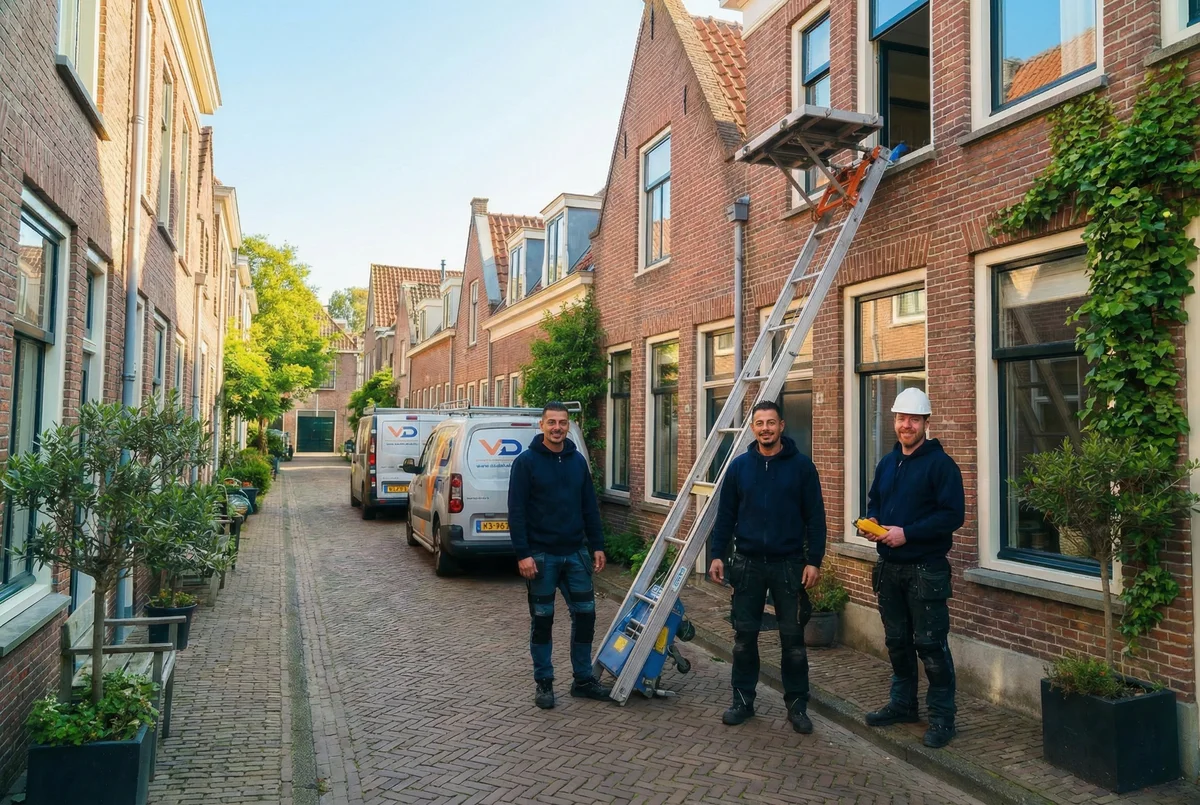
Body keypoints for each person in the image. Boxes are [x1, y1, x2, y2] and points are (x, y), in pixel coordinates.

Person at [708, 400, 826, 733]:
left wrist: (814, 560)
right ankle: (742, 702)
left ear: (781, 426)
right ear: (752, 429)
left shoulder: (802, 468)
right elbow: (726, 515)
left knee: (793, 641)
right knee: (744, 638)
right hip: (747, 564)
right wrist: (717, 554)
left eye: (771, 423)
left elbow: (816, 518)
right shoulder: (739, 468)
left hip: (788, 564)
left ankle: (797, 706)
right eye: (759, 424)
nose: (765, 429)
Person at [858, 387, 965, 749]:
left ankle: (942, 718)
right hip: (889, 569)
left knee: (930, 645)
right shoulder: (888, 463)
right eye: (901, 418)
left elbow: (952, 515)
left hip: (925, 569)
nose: (906, 425)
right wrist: (873, 521)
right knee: (897, 642)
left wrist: (908, 533)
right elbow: (875, 500)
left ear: (925, 423)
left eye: (914, 420)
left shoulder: (942, 465)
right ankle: (903, 705)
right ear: (895, 421)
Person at [509, 401, 611, 710]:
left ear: (568, 426)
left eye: (562, 423)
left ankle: (583, 680)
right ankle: (544, 682)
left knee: (586, 616)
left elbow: (589, 507)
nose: (557, 428)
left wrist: (597, 545)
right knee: (543, 621)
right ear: (541, 425)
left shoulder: (577, 461)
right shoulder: (526, 463)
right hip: (541, 556)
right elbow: (516, 512)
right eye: (551, 422)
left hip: (576, 553)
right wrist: (523, 553)